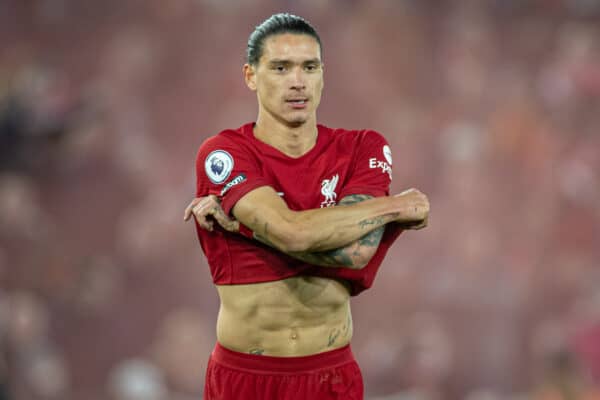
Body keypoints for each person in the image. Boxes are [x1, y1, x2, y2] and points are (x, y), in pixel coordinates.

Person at [183, 13, 429, 400]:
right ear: (250, 76)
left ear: (323, 75)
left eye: (309, 67)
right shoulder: (224, 152)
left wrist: (246, 227)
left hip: (329, 376)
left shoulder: (362, 147)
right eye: (280, 68)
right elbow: (293, 234)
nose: (297, 82)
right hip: (246, 377)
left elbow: (355, 252)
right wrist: (396, 208)